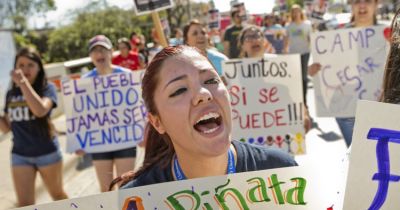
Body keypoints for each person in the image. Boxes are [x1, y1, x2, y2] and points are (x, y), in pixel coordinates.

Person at [109, 45, 297, 189]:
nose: (204, 93)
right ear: (157, 122)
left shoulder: (280, 170)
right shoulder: (137, 200)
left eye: (211, 80)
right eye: (179, 90)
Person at [0, 48, 68, 206]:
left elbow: (40, 111)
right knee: (25, 203)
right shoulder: (11, 93)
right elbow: (7, 128)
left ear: (39, 67)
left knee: (57, 195)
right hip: (20, 154)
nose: (25, 69)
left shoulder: (47, 88)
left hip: (47, 152)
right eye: (21, 65)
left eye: (30, 65)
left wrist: (23, 83)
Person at [308, 0, 379, 147]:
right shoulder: (337, 36)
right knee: (357, 158)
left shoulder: (389, 35)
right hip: (347, 108)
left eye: (368, 1)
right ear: (351, 6)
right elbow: (327, 66)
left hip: (382, 106)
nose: (362, 5)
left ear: (376, 4)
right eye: (357, 1)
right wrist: (314, 70)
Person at [81, 35, 137, 192]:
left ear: (111, 52)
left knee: (126, 188)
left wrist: (141, 131)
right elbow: (82, 115)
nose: (99, 54)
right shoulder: (84, 81)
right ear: (91, 56)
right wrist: (80, 141)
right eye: (95, 51)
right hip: (99, 142)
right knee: (105, 190)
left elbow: (137, 107)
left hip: (125, 138)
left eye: (103, 50)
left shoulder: (126, 76)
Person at [237, 25, 312, 133]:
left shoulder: (279, 64)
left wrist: (304, 114)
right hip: (252, 130)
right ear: (242, 45)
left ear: (264, 41)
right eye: (249, 37)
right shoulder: (234, 71)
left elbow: (294, 92)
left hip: (282, 126)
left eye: (257, 35)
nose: (254, 40)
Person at [284, 5, 313, 109]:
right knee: (296, 78)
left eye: (298, 11)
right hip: (293, 54)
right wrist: (285, 52)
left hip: (305, 52)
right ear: (291, 14)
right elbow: (286, 39)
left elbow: (311, 38)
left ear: (301, 12)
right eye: (294, 12)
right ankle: (297, 100)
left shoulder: (307, 24)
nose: (296, 14)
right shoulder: (289, 26)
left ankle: (304, 101)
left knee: (304, 78)